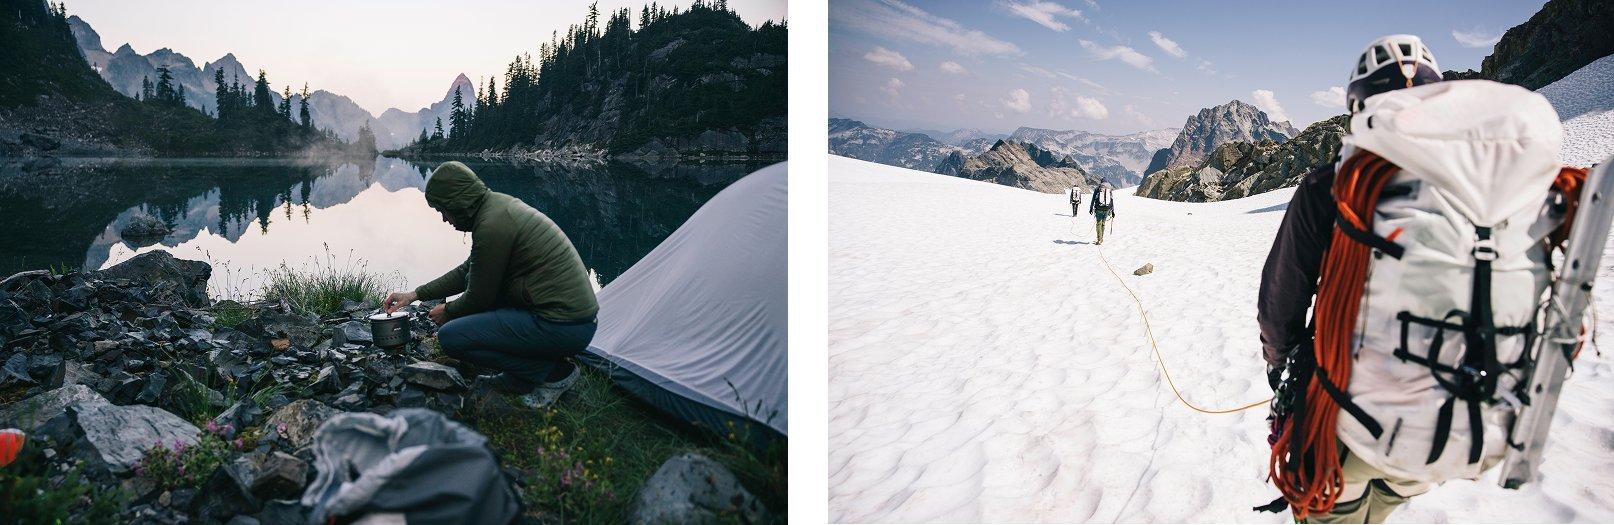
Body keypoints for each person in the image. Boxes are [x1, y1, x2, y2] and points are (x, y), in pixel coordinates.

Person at [1258, 35, 1574, 523]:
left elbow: (1282, 299)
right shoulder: (1518, 184)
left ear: (1360, 105)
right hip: (1462, 428)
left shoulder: (1336, 185)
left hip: (1350, 422)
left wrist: (1280, 365)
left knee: (1331, 507)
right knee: (1391, 490)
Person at [383, 161, 600, 409]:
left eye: (443, 210)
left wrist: (449, 311)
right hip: (569, 321)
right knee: (476, 315)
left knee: (452, 337)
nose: (444, 219)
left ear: (459, 202)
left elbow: (479, 298)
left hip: (564, 326)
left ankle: (552, 373)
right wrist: (415, 294)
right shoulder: (495, 208)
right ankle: (522, 375)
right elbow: (467, 272)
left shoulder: (492, 225)